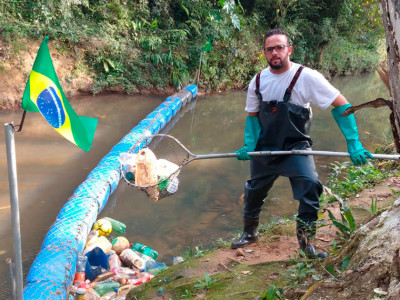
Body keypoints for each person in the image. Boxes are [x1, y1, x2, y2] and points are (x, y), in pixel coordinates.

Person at [231, 28, 373, 258]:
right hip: (265, 149)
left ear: (289, 49)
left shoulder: (307, 76)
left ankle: (306, 244)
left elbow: (341, 104)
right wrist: (249, 145)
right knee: (254, 191)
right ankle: (250, 233)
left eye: (279, 47)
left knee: (310, 186)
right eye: (270, 49)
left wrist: (353, 142)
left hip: (296, 147)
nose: (275, 52)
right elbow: (252, 116)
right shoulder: (257, 81)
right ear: (264, 53)